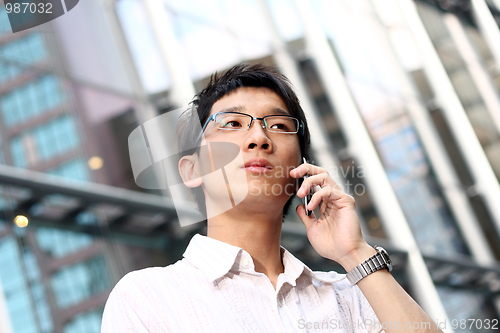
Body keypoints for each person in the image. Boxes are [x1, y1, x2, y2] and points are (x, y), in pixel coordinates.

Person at [101, 64, 442, 332]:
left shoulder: (350, 295)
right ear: (192, 171)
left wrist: (355, 253)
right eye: (232, 123)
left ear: (301, 170)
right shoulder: (148, 297)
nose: (258, 138)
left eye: (278, 126)